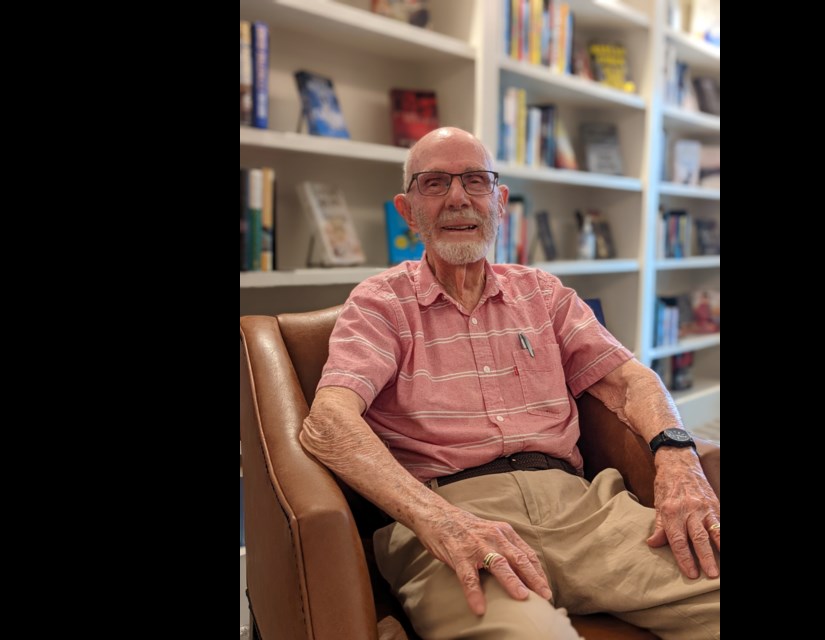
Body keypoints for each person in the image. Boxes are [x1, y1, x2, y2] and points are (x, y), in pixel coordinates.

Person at [300, 127, 720, 640]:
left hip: (583, 509)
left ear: (498, 202)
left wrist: (677, 456)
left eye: (475, 181)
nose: (457, 197)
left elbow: (630, 380)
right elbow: (329, 421)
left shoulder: (543, 293)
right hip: (451, 514)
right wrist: (438, 520)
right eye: (434, 184)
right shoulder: (380, 303)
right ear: (408, 211)